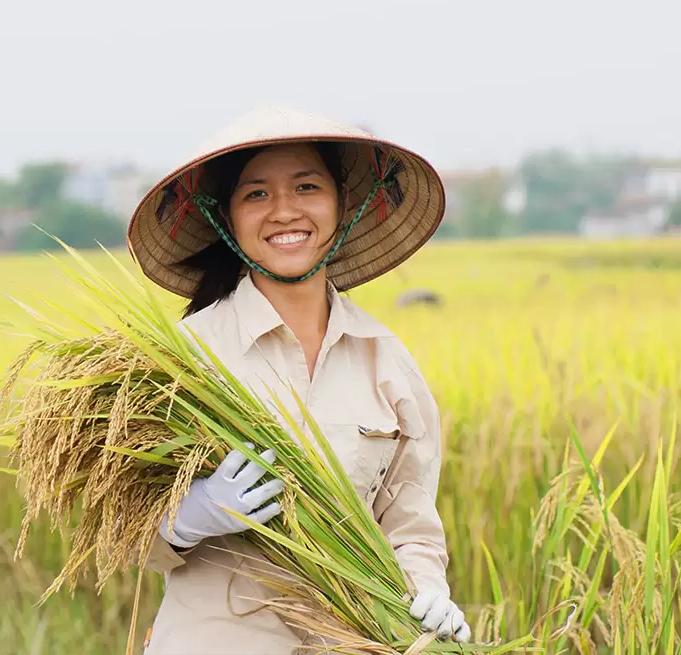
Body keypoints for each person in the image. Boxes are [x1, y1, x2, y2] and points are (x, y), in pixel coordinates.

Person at [127, 104, 469, 653]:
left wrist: (429, 594)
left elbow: (410, 524)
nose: (284, 211)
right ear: (227, 218)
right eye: (256, 194)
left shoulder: (388, 363)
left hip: (352, 643)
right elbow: (120, 531)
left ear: (341, 205)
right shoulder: (183, 361)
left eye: (306, 187)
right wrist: (193, 515)